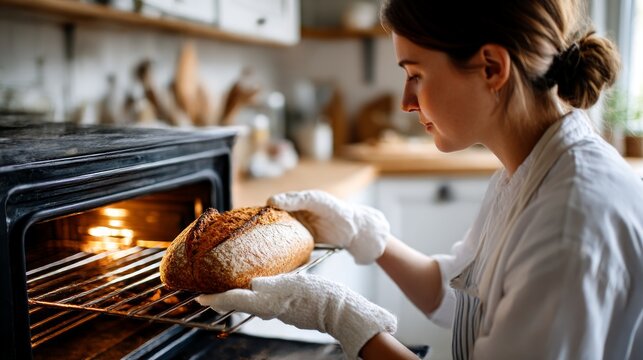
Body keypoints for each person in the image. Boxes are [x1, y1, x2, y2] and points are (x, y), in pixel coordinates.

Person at [197, 0, 643, 358]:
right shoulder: (527, 171)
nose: (407, 101)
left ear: (491, 67)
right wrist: (364, 234)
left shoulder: (570, 220)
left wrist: (340, 317)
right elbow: (458, 300)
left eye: (416, 74)